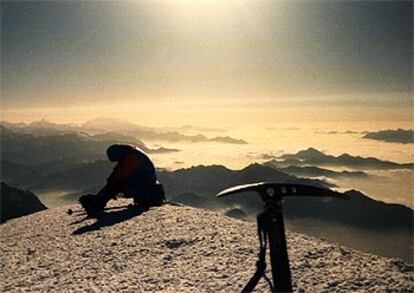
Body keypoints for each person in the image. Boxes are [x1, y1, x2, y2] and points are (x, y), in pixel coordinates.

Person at [79, 144, 165, 217]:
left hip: (142, 184)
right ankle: (98, 202)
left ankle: (98, 204)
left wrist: (103, 193)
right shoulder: (131, 153)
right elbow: (118, 173)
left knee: (116, 185)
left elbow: (119, 176)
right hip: (145, 183)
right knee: (115, 184)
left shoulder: (130, 157)